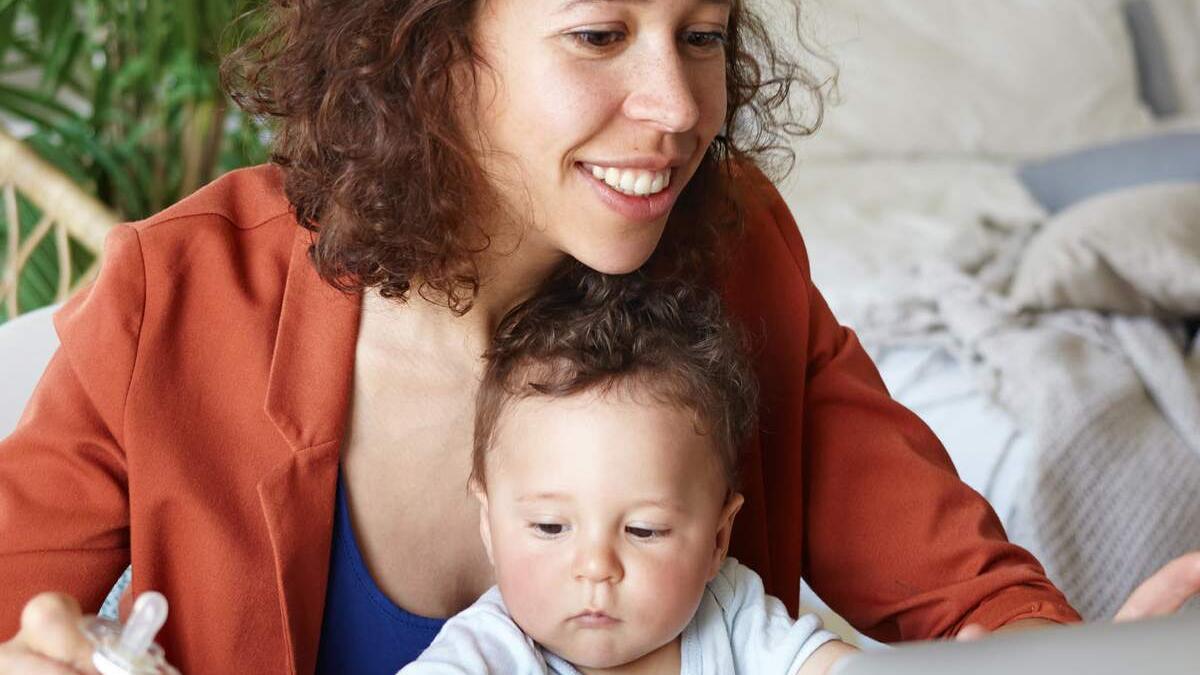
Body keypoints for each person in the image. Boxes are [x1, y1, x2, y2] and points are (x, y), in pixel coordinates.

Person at [1, 1, 1198, 673]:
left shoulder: (740, 255)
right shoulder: (179, 294)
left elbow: (964, 600)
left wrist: (1089, 665)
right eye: (598, 35)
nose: (679, 109)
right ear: (424, 49)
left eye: (703, 34)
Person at [400, 267, 853, 674]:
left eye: (643, 530)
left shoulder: (732, 616)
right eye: (551, 526)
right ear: (489, 524)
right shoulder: (490, 653)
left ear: (718, 537)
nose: (596, 567)